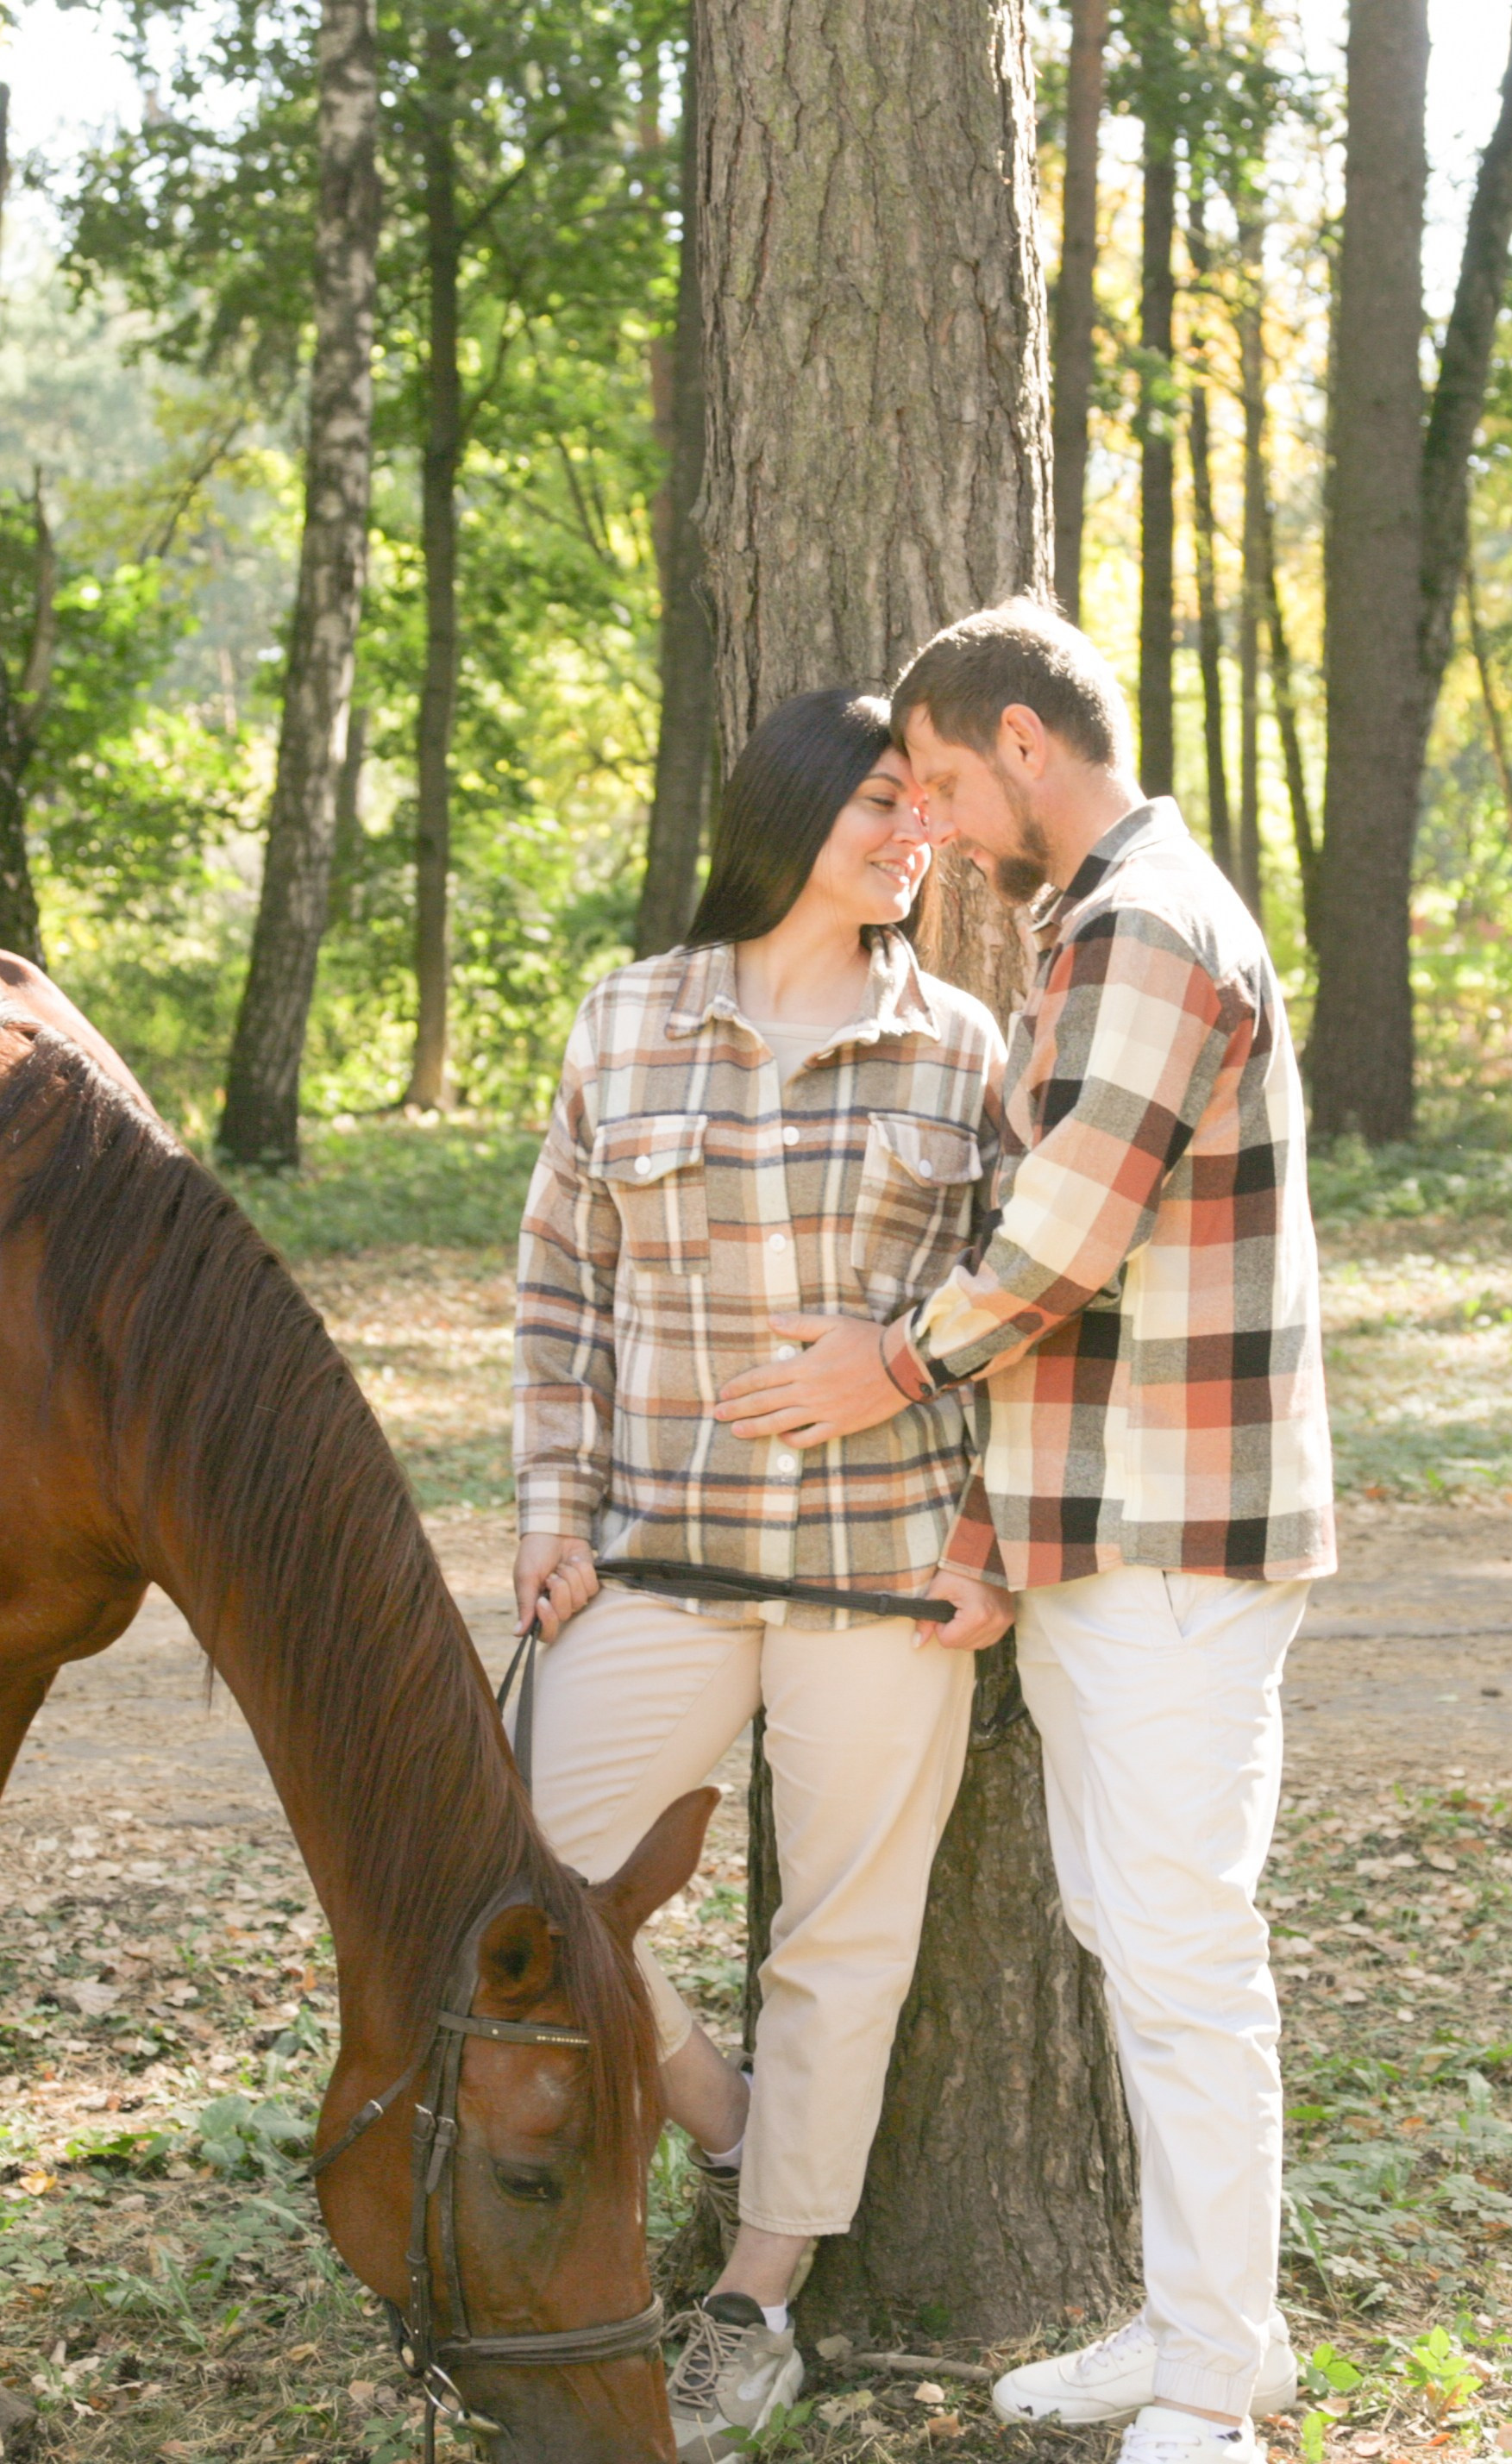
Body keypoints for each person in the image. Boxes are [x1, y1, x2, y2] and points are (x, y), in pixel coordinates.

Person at [716, 602, 1334, 2464]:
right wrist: (991, 1517)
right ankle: (1194, 2324)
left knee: (1177, 1948)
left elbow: (1066, 1238)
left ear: (1019, 739)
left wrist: (881, 1370)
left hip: (1173, 1523)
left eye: (945, 782)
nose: (943, 829)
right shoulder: (1100, 921)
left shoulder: (1149, 921)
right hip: (1097, 1517)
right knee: (1130, 1926)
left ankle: (1216, 2391)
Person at [511, 686, 1015, 2461]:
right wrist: (545, 1507)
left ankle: (756, 2294)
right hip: (655, 1552)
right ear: (785, 813)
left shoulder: (963, 1045)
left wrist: (990, 1537)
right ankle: (721, 2110)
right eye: (879, 803)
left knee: (845, 1941)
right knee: (529, 1876)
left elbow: (1024, 1321)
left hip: (884, 1572)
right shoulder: (626, 1020)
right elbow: (561, 1287)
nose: (911, 837)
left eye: (924, 811)